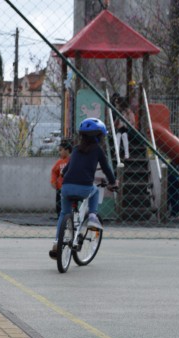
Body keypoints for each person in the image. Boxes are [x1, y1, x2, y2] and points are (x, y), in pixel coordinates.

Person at [49, 118, 118, 259]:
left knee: (63, 214)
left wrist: (63, 173)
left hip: (66, 188)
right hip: (84, 188)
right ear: (99, 137)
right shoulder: (98, 150)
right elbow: (106, 169)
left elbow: (66, 170)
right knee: (94, 190)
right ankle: (92, 215)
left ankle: (57, 243)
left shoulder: (75, 150)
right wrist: (113, 182)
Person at [50, 139, 73, 215]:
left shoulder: (72, 160)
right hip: (60, 187)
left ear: (67, 150)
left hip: (70, 186)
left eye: (61, 150)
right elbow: (54, 171)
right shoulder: (59, 162)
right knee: (59, 202)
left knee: (70, 202)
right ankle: (60, 215)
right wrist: (53, 181)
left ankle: (70, 214)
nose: (59, 152)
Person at [113, 94, 135, 160]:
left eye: (118, 104)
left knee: (124, 135)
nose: (116, 105)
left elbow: (132, 121)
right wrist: (116, 123)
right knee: (119, 136)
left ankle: (126, 154)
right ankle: (119, 152)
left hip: (128, 128)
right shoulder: (118, 111)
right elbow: (116, 122)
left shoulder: (128, 111)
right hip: (121, 129)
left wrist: (126, 122)